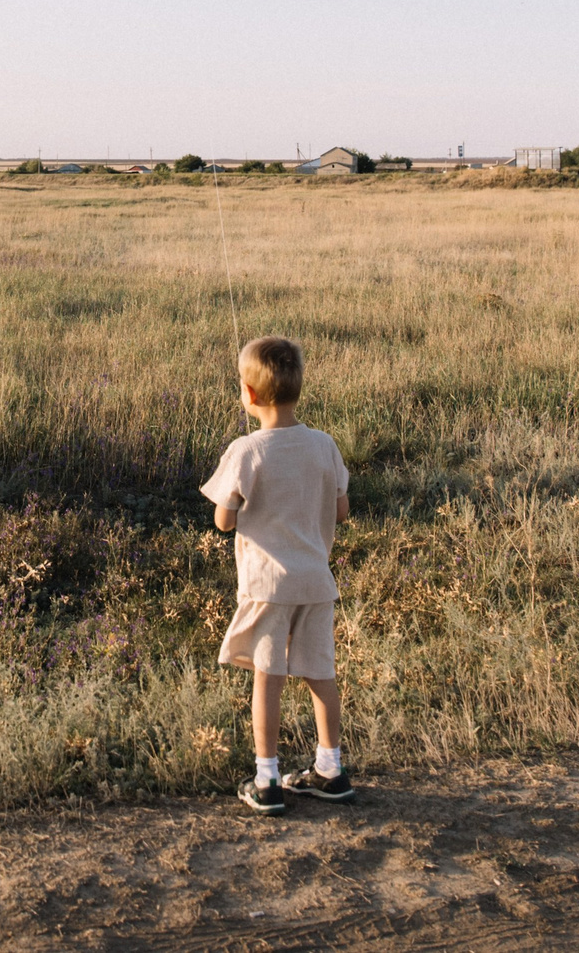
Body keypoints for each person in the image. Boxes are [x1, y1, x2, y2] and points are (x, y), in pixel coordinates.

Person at [200, 335, 353, 815]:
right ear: (297, 388)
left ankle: (267, 779)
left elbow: (223, 521)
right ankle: (331, 769)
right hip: (316, 582)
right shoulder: (324, 445)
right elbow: (342, 509)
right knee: (320, 675)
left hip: (269, 586)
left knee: (268, 679)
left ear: (248, 394)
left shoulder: (246, 451)